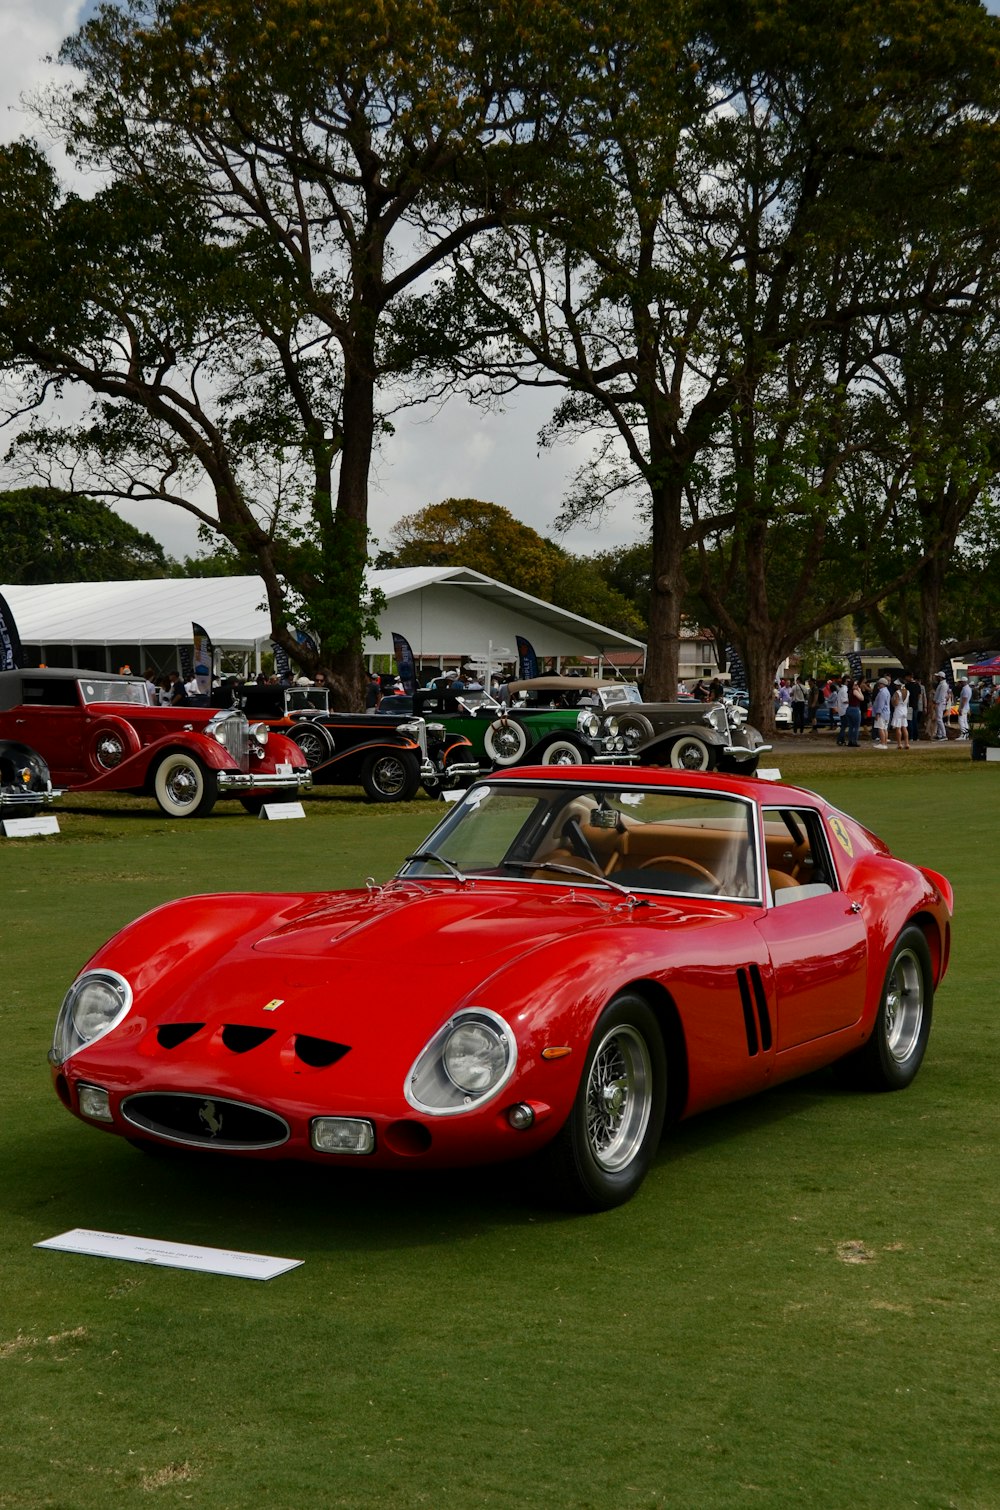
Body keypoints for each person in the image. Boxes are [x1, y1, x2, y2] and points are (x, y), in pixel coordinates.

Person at [871, 677, 891, 749]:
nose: (878, 685)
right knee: (885, 728)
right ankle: (884, 743)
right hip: (886, 713)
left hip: (882, 713)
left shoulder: (882, 692)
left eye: (879, 684)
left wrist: (878, 713)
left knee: (881, 728)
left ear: (883, 684)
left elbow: (881, 704)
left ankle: (883, 743)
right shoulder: (886, 691)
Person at [890, 679, 910, 750]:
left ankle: (899, 744)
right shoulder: (907, 692)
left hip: (898, 710)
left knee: (898, 728)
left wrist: (892, 701)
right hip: (905, 710)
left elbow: (896, 703)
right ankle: (907, 743)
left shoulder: (897, 692)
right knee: (904, 727)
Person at [933, 671, 949, 739]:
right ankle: (939, 734)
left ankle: (944, 735)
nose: (936, 678)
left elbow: (941, 696)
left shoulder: (943, 685)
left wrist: (937, 703)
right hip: (939, 703)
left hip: (940, 703)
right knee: (939, 719)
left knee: (939, 719)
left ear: (940, 677)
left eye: (937, 677)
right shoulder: (941, 684)